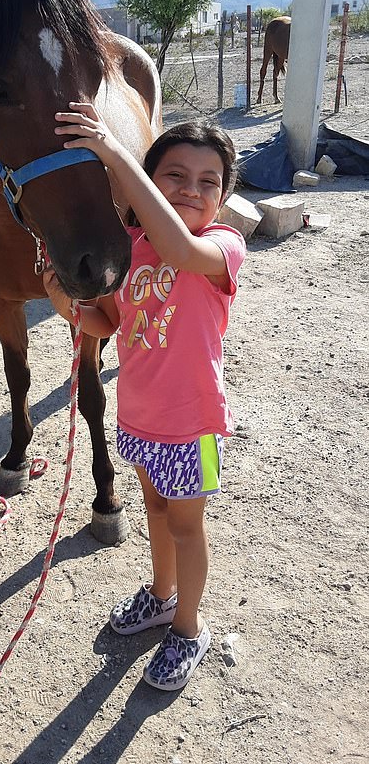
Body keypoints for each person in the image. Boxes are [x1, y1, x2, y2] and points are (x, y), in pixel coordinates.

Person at [43, 104, 246, 691]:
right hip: (138, 417)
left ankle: (188, 626)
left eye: (209, 181)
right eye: (175, 175)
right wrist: (65, 301)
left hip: (191, 425)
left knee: (187, 527)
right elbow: (107, 321)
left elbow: (180, 250)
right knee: (156, 513)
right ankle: (161, 597)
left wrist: (114, 152)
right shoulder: (127, 245)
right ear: (152, 182)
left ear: (224, 196)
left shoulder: (222, 247)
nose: (192, 190)